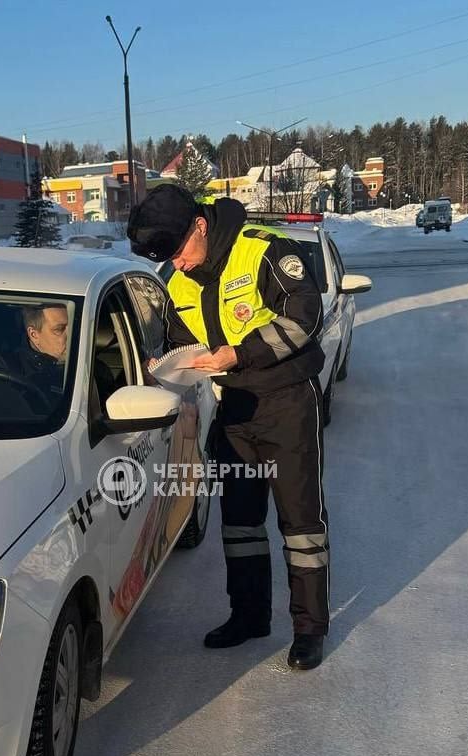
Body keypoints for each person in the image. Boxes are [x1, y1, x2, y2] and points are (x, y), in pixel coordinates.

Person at [128, 183, 330, 671]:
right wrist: (168, 363)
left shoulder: (261, 249)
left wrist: (241, 353)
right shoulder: (177, 280)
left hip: (285, 405)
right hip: (233, 409)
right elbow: (181, 340)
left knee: (301, 527)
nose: (176, 263)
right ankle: (249, 616)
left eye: (178, 251)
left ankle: (309, 630)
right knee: (239, 524)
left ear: (199, 226)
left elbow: (305, 316)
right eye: (167, 257)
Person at [0, 304, 68, 402]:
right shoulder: (1, 367)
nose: (71, 335)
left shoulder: (84, 362)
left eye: (73, 328)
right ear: (34, 334)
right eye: (59, 329)